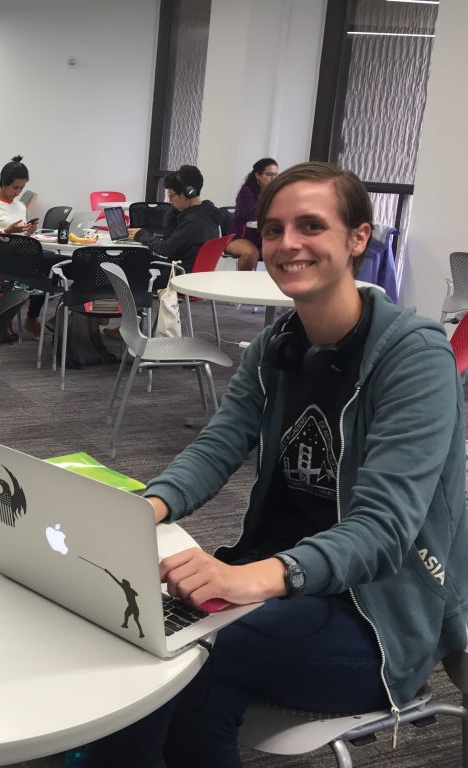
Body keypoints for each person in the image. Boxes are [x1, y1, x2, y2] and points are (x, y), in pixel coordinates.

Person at [79, 161, 468, 767]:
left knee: (183, 659)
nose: (287, 244)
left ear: (357, 238)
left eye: (311, 226)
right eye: (274, 228)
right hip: (275, 587)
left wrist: (255, 577)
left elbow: (383, 530)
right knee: (158, 645)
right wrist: (143, 507)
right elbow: (218, 445)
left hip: (374, 615)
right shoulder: (276, 345)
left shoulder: (413, 357)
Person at [0, 156, 44, 337]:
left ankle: (33, 316)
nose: (18, 192)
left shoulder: (21, 206)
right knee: (44, 271)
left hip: (23, 257)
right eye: (15, 188)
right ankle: (30, 318)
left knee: (52, 270)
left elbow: (21, 237)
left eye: (22, 188)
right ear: (3, 183)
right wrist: (6, 232)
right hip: (3, 263)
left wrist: (28, 232)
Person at [131, 165, 228, 278]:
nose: (170, 200)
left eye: (171, 195)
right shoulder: (208, 213)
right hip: (194, 274)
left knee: (132, 266)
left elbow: (166, 249)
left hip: (181, 275)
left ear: (187, 194)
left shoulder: (192, 221)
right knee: (139, 260)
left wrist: (142, 234)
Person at [224, 156, 279, 271]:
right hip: (238, 238)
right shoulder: (247, 192)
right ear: (257, 175)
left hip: (261, 240)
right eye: (269, 174)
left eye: (275, 174)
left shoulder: (275, 194)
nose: (273, 178)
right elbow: (252, 216)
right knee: (251, 254)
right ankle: (242, 287)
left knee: (279, 252)